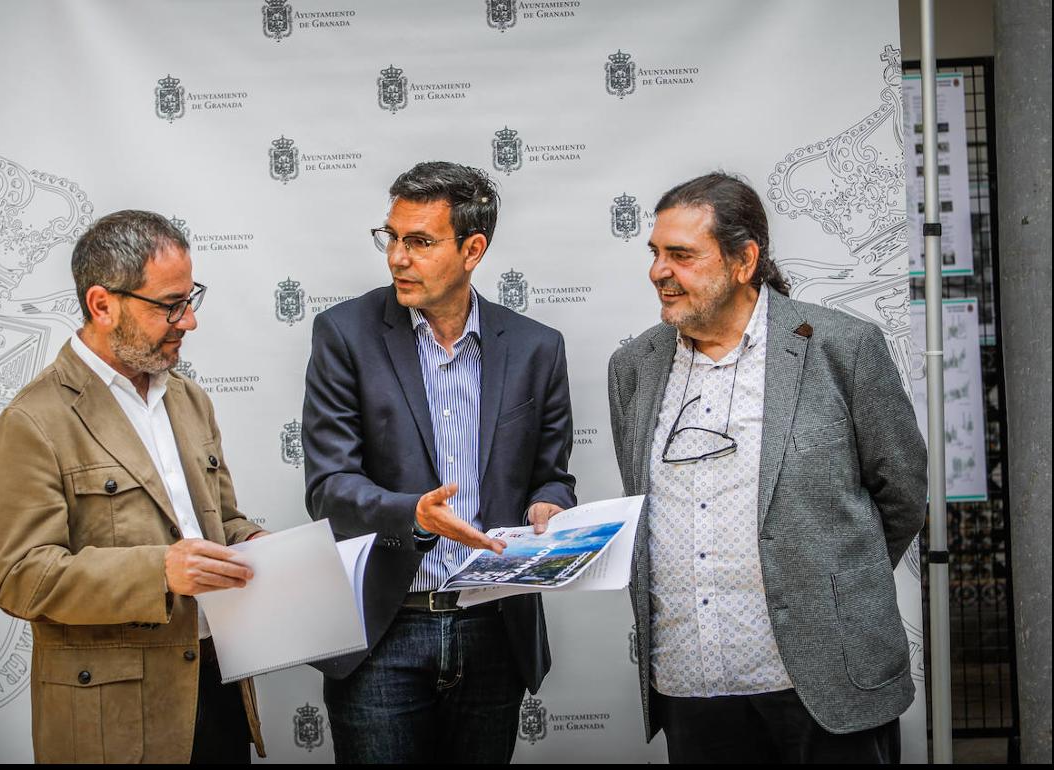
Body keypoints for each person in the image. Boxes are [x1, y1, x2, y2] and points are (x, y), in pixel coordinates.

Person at [608, 173, 927, 763]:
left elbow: (902, 493)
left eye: (681, 254)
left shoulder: (841, 346)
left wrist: (831, 581)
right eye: (655, 253)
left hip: (826, 675)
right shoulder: (634, 367)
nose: (658, 271)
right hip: (693, 680)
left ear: (744, 261)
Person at [302, 161, 576, 763]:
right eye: (391, 237)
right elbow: (328, 487)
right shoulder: (344, 335)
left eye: (420, 242)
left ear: (473, 249)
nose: (397, 258)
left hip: (494, 630)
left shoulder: (536, 347)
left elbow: (552, 475)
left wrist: (550, 506)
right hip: (383, 632)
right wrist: (414, 515)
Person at [0, 210, 267, 763]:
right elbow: (21, 578)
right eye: (170, 305)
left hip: (218, 689)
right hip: (115, 722)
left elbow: (220, 521)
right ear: (102, 305)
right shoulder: (32, 421)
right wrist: (160, 571)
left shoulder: (189, 399)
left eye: (191, 299)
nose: (189, 321)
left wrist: (252, 542)